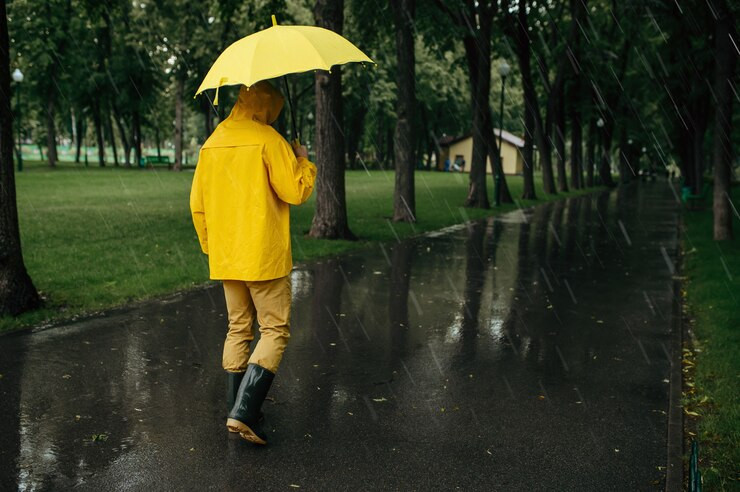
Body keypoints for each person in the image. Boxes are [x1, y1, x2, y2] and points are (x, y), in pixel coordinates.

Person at [190, 81, 317, 445]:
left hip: (228, 256)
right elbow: (296, 192)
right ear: (269, 105)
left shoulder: (212, 143)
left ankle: (238, 409)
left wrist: (212, 247)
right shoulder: (269, 140)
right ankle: (244, 411)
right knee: (274, 329)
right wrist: (303, 159)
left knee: (238, 328)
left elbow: (196, 205)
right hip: (263, 256)